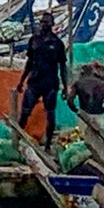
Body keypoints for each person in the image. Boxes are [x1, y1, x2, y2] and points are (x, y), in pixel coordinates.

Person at [16, 14, 67, 149]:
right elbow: (29, 62)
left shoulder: (57, 43)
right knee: (25, 112)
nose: (44, 24)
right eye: (42, 22)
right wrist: (21, 80)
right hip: (35, 82)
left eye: (47, 22)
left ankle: (48, 145)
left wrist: (65, 87)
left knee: (50, 114)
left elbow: (63, 67)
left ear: (52, 24)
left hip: (50, 83)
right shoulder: (34, 40)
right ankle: (16, 139)